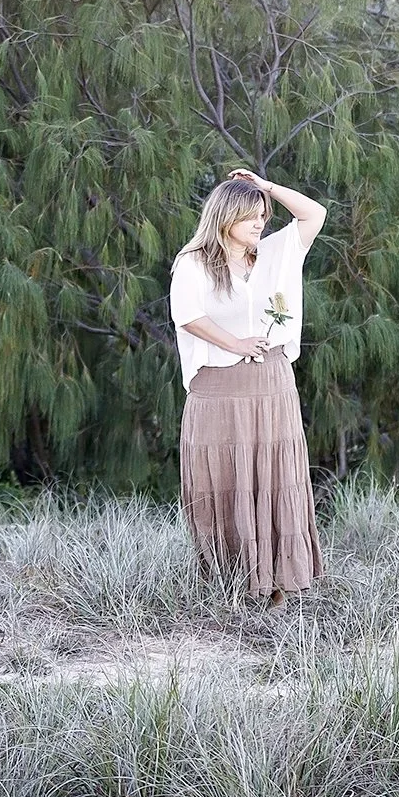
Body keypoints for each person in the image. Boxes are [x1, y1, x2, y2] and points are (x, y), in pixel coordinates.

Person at [169, 168, 328, 606]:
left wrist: (268, 186)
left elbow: (315, 214)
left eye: (263, 215)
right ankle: (230, 583)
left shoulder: (275, 254)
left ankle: (275, 582)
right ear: (225, 217)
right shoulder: (194, 261)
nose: (260, 222)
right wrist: (236, 343)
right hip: (218, 387)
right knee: (225, 479)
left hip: (273, 383)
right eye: (250, 215)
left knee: (275, 478)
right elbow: (187, 315)